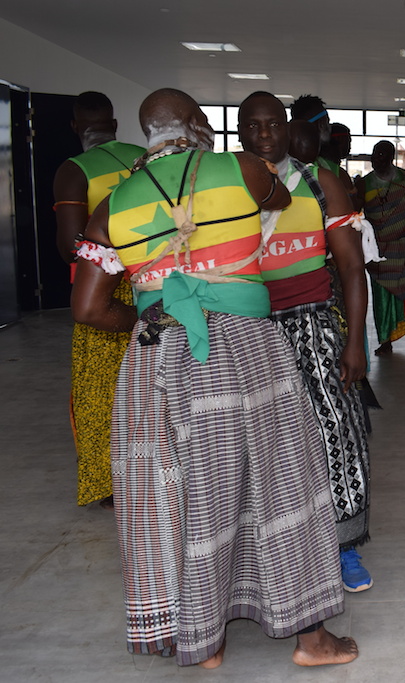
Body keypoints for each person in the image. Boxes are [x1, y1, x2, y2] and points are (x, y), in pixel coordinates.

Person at [71, 88, 357, 668]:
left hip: (158, 356)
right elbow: (278, 192)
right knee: (283, 481)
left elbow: (88, 309)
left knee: (179, 492)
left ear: (145, 130)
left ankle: (204, 641)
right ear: (200, 126)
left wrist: (161, 314)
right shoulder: (241, 168)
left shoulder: (114, 205)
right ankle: (311, 639)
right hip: (247, 348)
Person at [238, 92, 373, 593]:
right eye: (254, 125)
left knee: (337, 432)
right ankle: (259, 560)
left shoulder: (321, 184)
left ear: (286, 127)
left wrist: (354, 342)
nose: (266, 133)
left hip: (313, 323)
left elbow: (351, 266)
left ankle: (343, 550)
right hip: (246, 328)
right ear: (241, 130)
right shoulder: (224, 183)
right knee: (253, 444)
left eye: (273, 123)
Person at [52, 91, 144, 508]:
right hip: (155, 281)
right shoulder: (146, 157)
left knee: (99, 389)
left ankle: (110, 484)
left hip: (104, 290)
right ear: (115, 125)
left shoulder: (74, 170)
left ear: (75, 127)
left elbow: (71, 246)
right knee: (150, 383)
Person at [355, 140, 405, 354]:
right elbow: (355, 214)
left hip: (404, 248)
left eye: (381, 154)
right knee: (381, 294)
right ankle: (385, 340)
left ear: (390, 158)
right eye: (374, 154)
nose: (375, 158)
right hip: (378, 251)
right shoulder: (364, 183)